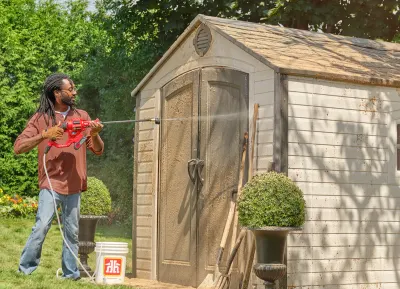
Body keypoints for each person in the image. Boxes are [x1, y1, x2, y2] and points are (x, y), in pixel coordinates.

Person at [14, 73, 104, 280]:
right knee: (42, 225)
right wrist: (44, 135)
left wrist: (95, 134)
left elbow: (98, 150)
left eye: (74, 88)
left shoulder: (82, 116)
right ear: (57, 93)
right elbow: (18, 147)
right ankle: (25, 270)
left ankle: (70, 275)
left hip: (74, 184)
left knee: (72, 233)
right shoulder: (40, 118)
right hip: (50, 183)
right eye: (70, 89)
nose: (75, 92)